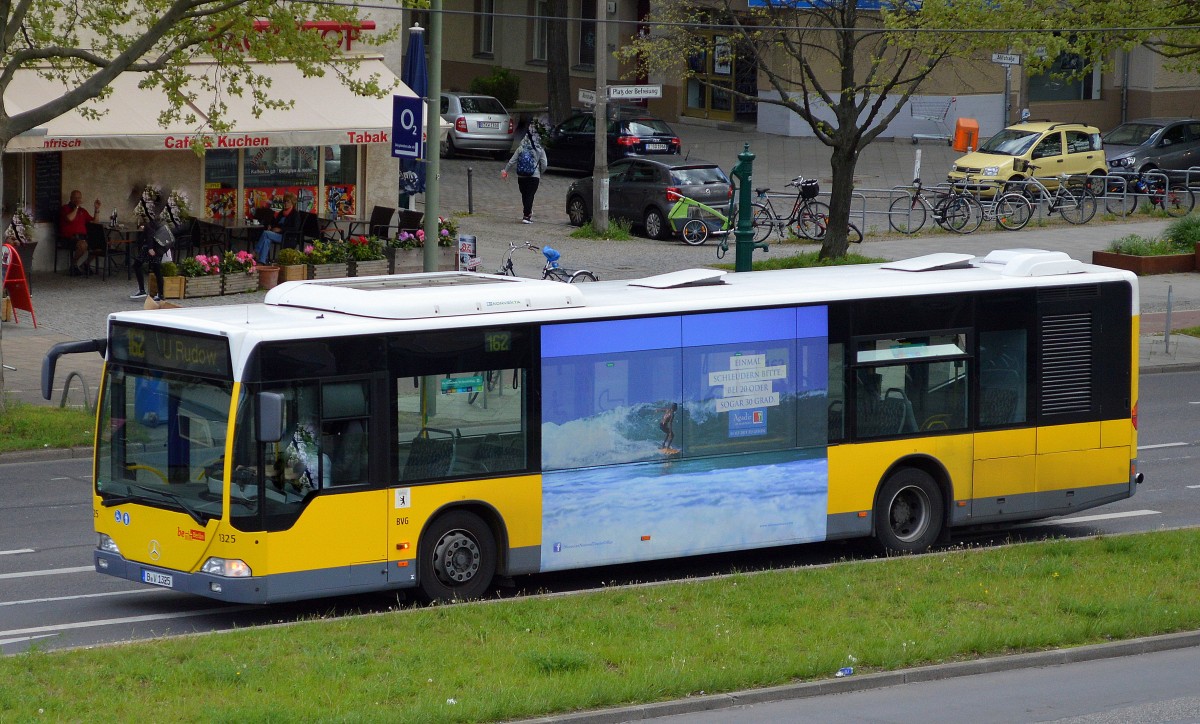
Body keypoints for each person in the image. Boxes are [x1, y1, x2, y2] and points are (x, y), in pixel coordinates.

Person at [500, 128, 549, 224]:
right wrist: (540, 172)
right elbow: (544, 164)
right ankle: (526, 216)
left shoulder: (521, 148)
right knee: (530, 195)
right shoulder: (539, 148)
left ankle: (527, 212)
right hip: (534, 176)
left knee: (525, 195)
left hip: (521, 175)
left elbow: (512, 161)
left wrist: (505, 170)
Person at [130, 194, 171, 301]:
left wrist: (150, 248)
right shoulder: (160, 213)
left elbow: (151, 232)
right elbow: (153, 227)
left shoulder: (151, 213)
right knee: (155, 269)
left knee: (139, 265)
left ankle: (144, 291)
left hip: (152, 246)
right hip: (158, 245)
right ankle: (159, 294)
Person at [59, 190, 102, 275]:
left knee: (100, 245)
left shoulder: (83, 211)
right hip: (69, 238)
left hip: (83, 237)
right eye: (75, 198)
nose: (77, 200)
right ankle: (73, 265)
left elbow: (95, 222)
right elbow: (70, 219)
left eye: (79, 198)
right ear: (71, 198)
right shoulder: (65, 208)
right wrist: (77, 207)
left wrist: (96, 209)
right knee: (83, 245)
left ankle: (85, 264)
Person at [254, 193, 302, 263]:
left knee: (265, 233)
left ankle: (255, 252)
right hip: (278, 235)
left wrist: (281, 229)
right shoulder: (282, 212)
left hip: (287, 237)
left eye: (288, 201)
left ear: (292, 203)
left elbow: (295, 228)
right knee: (267, 240)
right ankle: (262, 261)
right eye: (284, 201)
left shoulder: (295, 214)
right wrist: (271, 226)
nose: (285, 203)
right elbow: (276, 223)